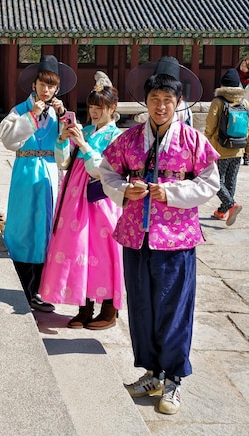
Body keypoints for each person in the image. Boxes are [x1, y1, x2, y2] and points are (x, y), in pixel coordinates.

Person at [99, 56, 220, 415]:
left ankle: (174, 381)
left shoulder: (192, 140)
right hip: (137, 236)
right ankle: (152, 373)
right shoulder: (130, 139)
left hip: (177, 239)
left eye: (168, 100)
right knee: (141, 307)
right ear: (146, 101)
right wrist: (124, 189)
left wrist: (173, 193)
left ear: (178, 103)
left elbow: (209, 183)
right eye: (155, 99)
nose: (161, 106)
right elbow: (107, 173)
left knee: (174, 310)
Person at [38, 71, 124, 329]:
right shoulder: (84, 129)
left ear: (112, 108)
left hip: (100, 200)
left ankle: (109, 307)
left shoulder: (117, 137)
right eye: (91, 107)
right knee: (78, 250)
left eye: (100, 107)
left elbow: (101, 171)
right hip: (75, 199)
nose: (95, 112)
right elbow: (63, 161)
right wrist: (64, 139)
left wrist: (85, 146)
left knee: (102, 250)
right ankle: (84, 305)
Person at [0, 54, 76, 313]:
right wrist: (31, 116)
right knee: (23, 230)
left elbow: (65, 153)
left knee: (46, 232)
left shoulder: (60, 114)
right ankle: (22, 288)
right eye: (42, 84)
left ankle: (40, 290)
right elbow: (9, 140)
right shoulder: (20, 110)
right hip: (25, 172)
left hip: (49, 175)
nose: (46, 89)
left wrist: (64, 125)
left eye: (51, 86)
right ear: (34, 85)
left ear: (57, 89)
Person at [206, 68, 248, 225]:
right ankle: (223, 211)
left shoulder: (218, 101)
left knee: (215, 180)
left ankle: (230, 205)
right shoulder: (244, 103)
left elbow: (210, 127)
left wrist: (206, 146)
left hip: (220, 148)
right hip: (238, 148)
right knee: (231, 181)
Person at [236, 57, 249, 165]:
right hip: (237, 108)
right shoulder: (235, 76)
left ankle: (246, 155)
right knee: (239, 131)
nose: (243, 66)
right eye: (242, 64)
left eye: (245, 65)